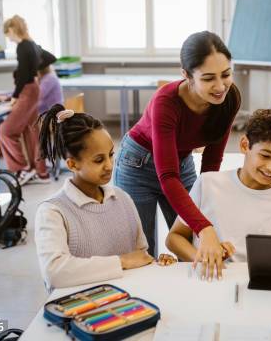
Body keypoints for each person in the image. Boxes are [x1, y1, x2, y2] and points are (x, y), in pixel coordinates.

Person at [114, 31, 241, 279]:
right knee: (141, 251)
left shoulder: (229, 97)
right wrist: (205, 227)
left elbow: (211, 163)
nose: (220, 86)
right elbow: (167, 175)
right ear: (186, 74)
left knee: (191, 241)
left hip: (180, 163)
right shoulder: (166, 102)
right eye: (208, 78)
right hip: (138, 165)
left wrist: (205, 219)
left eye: (226, 74)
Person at [35, 104, 176, 290]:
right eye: (99, 160)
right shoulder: (53, 211)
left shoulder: (123, 199)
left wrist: (155, 264)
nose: (109, 165)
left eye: (111, 155)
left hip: (128, 299)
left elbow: (140, 255)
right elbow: (54, 273)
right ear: (72, 164)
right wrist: (121, 262)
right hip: (83, 307)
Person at [166, 108, 271, 271]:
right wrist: (205, 259)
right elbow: (174, 238)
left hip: (252, 287)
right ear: (245, 145)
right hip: (205, 281)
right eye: (265, 156)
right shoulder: (208, 183)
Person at [0, 15, 48, 185]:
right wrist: (36, 71)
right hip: (34, 87)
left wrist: (14, 97)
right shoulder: (33, 45)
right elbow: (49, 58)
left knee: (5, 131)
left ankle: (22, 169)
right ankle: (41, 173)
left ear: (12, 30)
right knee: (31, 130)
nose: (9, 39)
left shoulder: (22, 46)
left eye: (8, 34)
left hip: (27, 90)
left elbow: (22, 76)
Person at [37, 48, 64, 114]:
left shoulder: (49, 78)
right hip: (44, 112)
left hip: (52, 115)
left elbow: (36, 96)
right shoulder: (44, 77)